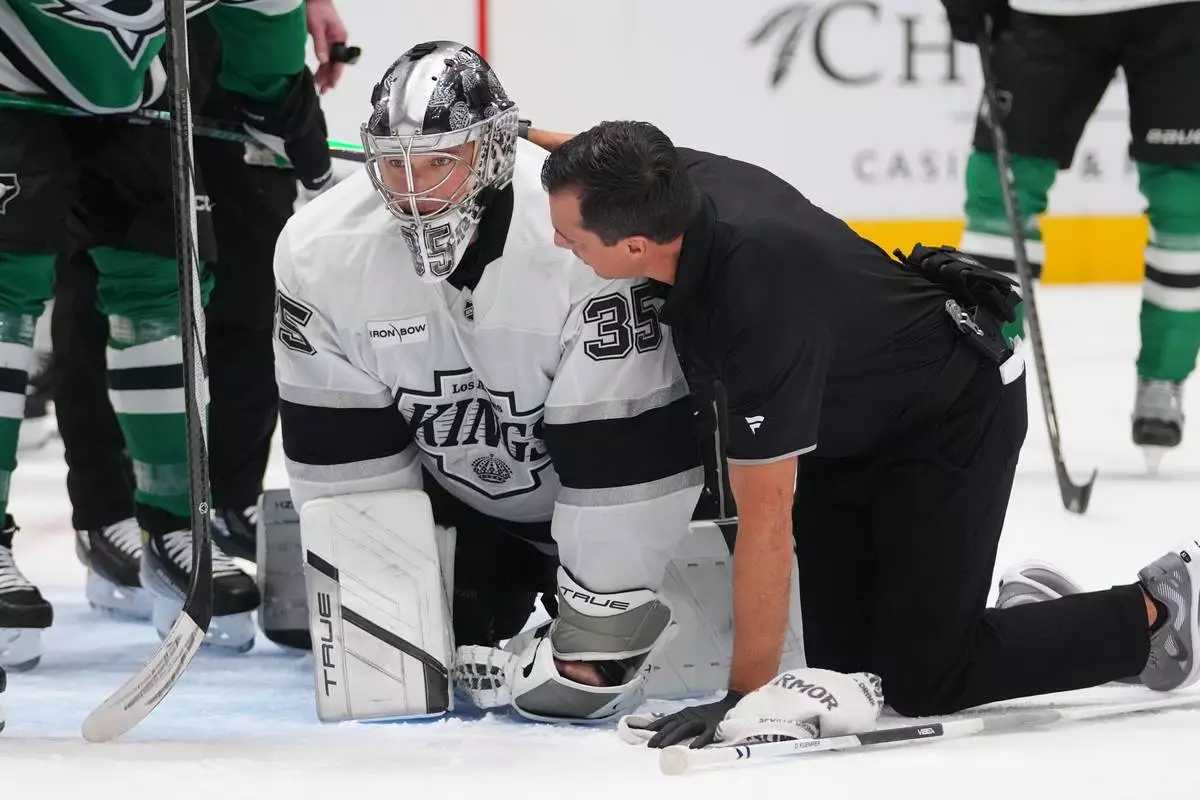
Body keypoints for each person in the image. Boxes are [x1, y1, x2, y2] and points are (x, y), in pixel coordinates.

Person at [537, 119, 1200, 747]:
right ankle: (1030, 615)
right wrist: (513, 128)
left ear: (635, 246)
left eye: (572, 237)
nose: (561, 244)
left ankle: (1157, 610)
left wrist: (742, 700)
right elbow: (594, 153)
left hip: (952, 414)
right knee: (845, 673)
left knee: (924, 681)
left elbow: (767, 522)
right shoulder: (662, 178)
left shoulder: (756, 304)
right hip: (846, 427)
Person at [274, 41, 707, 721]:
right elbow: (343, 457)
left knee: (588, 686)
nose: (413, 189)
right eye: (394, 163)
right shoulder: (319, 251)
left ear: (495, 149)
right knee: (383, 679)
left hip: (608, 501)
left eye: (440, 161)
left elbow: (624, 447)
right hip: (468, 510)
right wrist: (381, 605)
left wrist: (600, 622)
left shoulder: (582, 238)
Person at [0, 0, 331, 666]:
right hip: (10, 78)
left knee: (163, 283)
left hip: (137, 93)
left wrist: (273, 91)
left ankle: (175, 528)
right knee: (8, 290)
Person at [943, 0, 1200, 452]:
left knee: (1185, 204)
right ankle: (982, 370)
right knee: (1002, 192)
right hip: (1048, 10)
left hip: (1180, 13)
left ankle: (1164, 378)